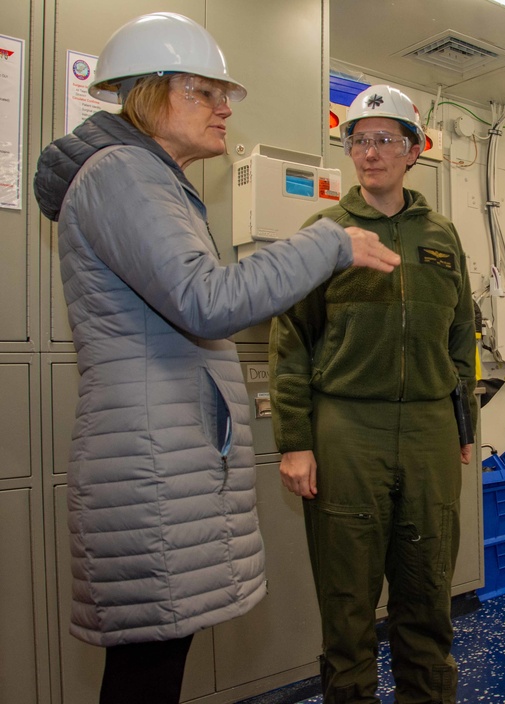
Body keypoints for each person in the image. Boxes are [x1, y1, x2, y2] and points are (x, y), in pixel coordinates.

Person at [32, 13, 400, 704]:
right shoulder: (123, 177)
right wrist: (328, 243)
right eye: (205, 92)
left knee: (153, 666)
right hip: (150, 464)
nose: (225, 107)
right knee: (147, 672)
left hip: (161, 457)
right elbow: (206, 299)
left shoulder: (148, 179)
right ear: (150, 93)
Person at [268, 84, 478, 704]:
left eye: (386, 139)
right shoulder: (324, 233)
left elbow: (463, 336)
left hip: (429, 431)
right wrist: (295, 443)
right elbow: (291, 341)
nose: (371, 152)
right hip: (346, 430)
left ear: (414, 150)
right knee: (348, 608)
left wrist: (462, 427)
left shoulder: (442, 237)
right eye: (360, 140)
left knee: (427, 601)